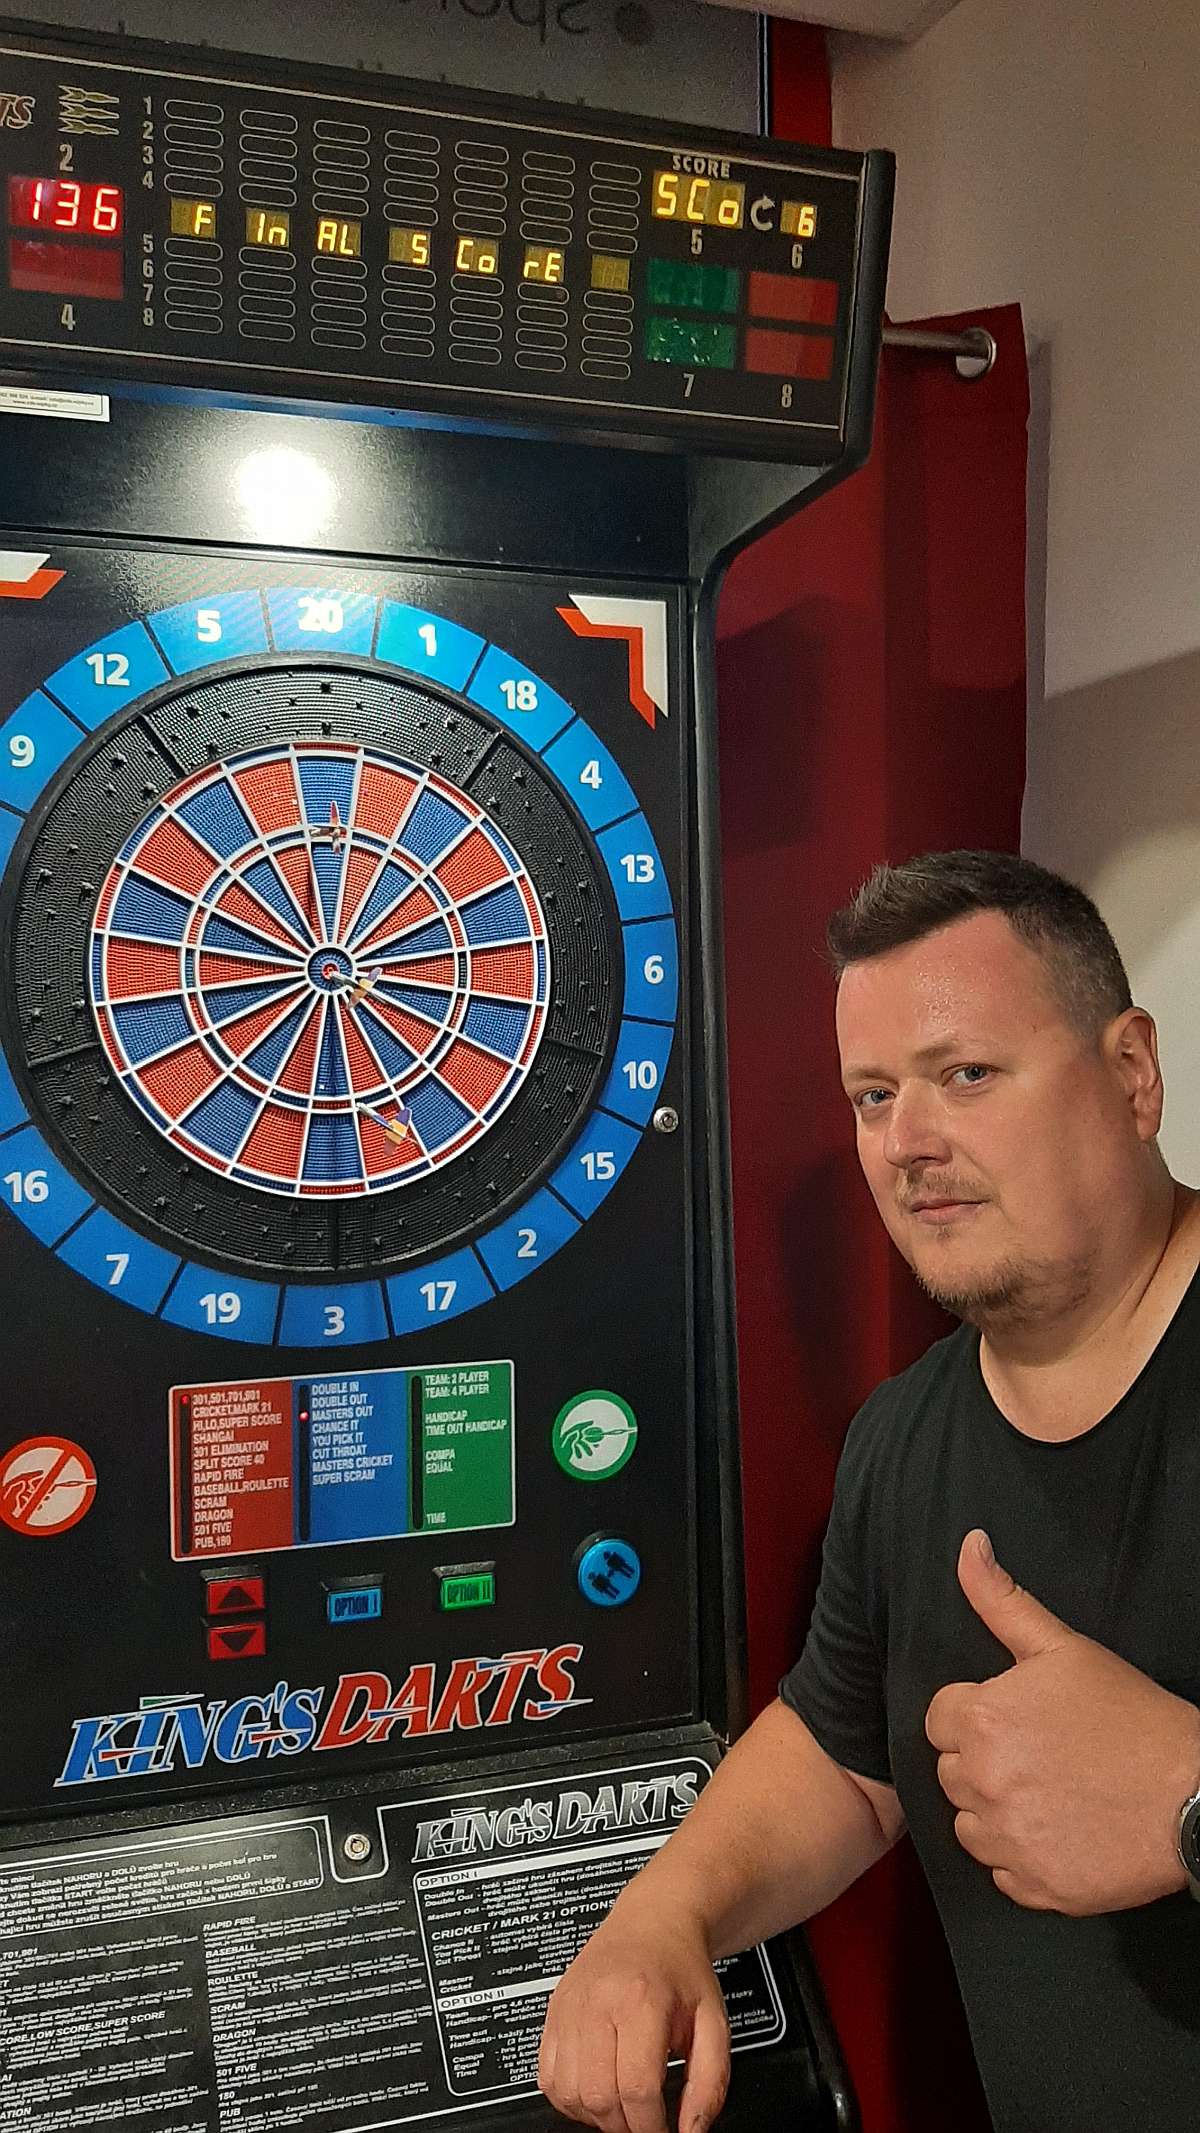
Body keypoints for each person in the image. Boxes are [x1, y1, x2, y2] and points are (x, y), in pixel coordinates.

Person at [538, 850, 1200, 2133]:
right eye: (874, 1096)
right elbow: (844, 1758)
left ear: (1131, 1073)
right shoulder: (903, 1439)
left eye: (968, 1075)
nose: (909, 1143)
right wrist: (666, 1912)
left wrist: (1186, 1801)